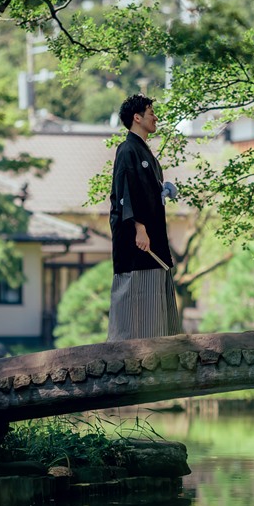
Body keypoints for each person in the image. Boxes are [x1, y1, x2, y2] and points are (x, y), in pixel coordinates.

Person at [106, 94, 182, 340]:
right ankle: (129, 345)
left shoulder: (145, 152)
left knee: (155, 283)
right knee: (135, 286)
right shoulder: (127, 149)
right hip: (137, 237)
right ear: (137, 118)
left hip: (152, 233)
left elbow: (145, 191)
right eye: (151, 113)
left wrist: (163, 190)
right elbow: (126, 191)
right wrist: (139, 228)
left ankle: (158, 342)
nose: (156, 118)